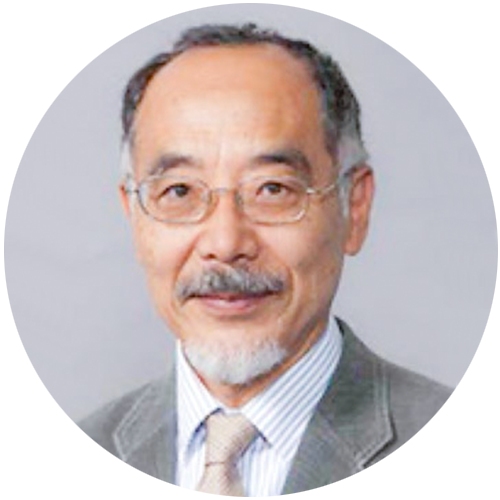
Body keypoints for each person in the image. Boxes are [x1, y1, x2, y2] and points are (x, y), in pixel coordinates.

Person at [44, 23, 455, 497]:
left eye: (272, 190)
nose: (225, 243)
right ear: (134, 215)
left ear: (354, 207)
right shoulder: (61, 476)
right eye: (179, 191)